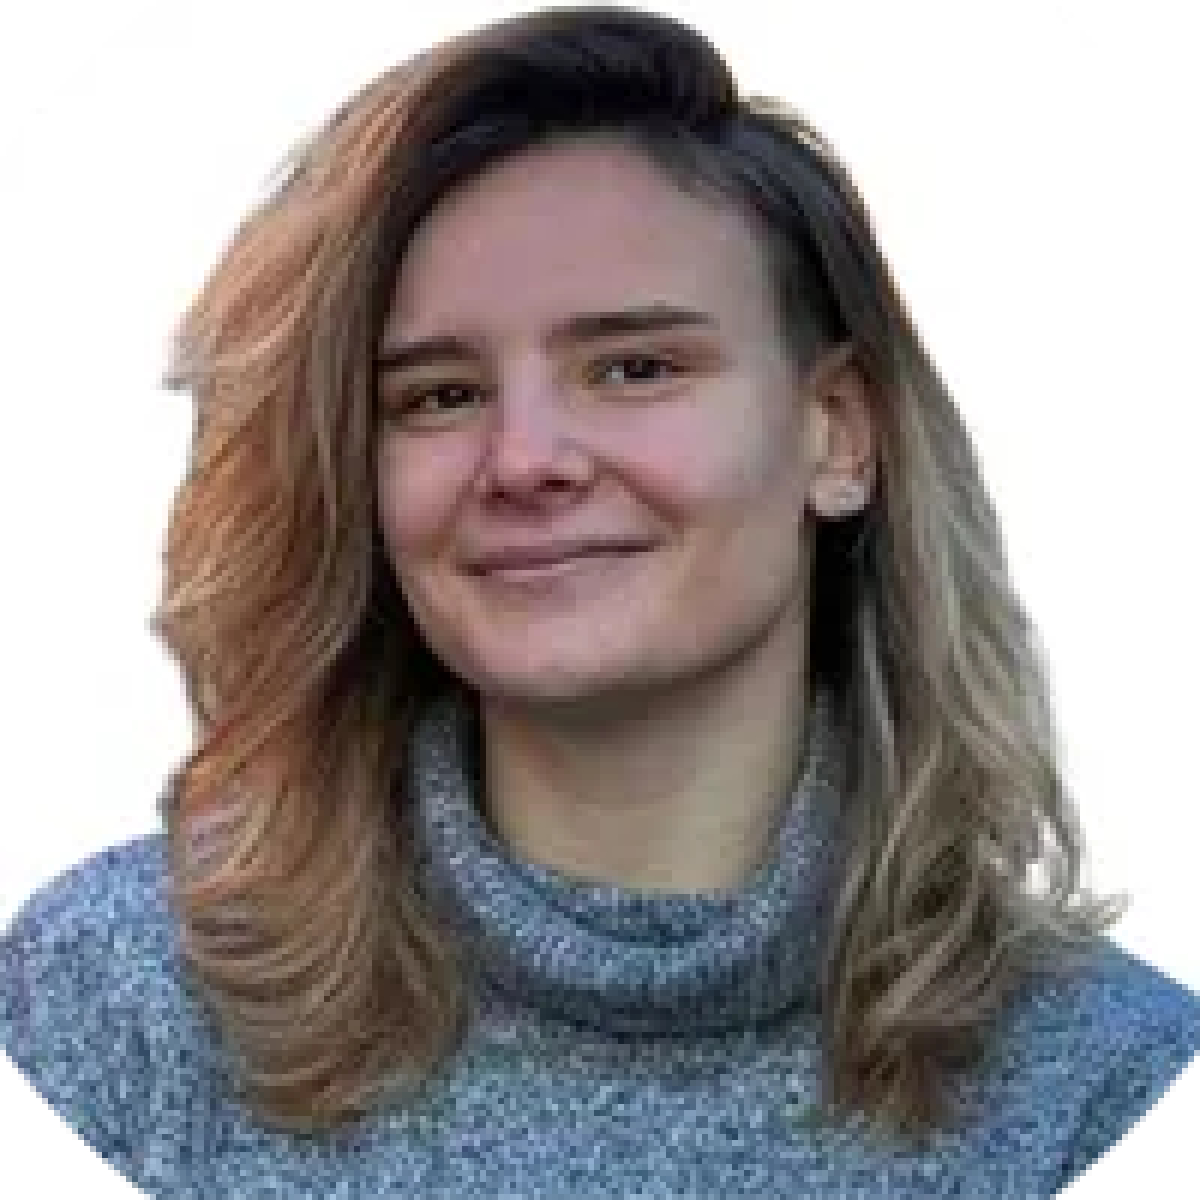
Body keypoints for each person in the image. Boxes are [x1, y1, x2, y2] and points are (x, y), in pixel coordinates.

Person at [3, 5, 1197, 1197]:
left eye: (635, 368)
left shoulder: (1110, 1088)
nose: (525, 460)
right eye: (438, 395)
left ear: (837, 433)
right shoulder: (113, 1007)